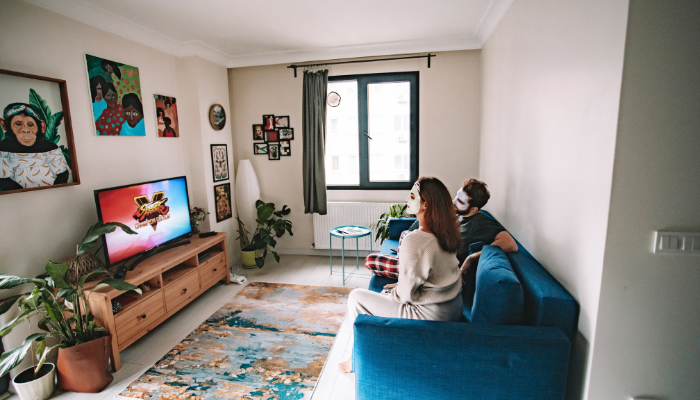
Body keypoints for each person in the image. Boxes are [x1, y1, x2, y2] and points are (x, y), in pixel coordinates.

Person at [338, 177, 463, 374]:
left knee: (356, 298)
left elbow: (405, 297)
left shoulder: (416, 240)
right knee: (386, 292)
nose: (407, 198)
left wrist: (392, 294)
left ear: (425, 204)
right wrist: (398, 286)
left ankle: (357, 359)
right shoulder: (446, 233)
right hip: (451, 309)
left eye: (412, 195)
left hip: (429, 316)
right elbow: (428, 277)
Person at [0, 103, 69, 190]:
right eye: (18, 124)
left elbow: (62, 174)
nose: (25, 130)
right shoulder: (3, 149)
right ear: (4, 126)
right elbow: (4, 180)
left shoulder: (50, 148)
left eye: (30, 125)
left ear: (42, 127)